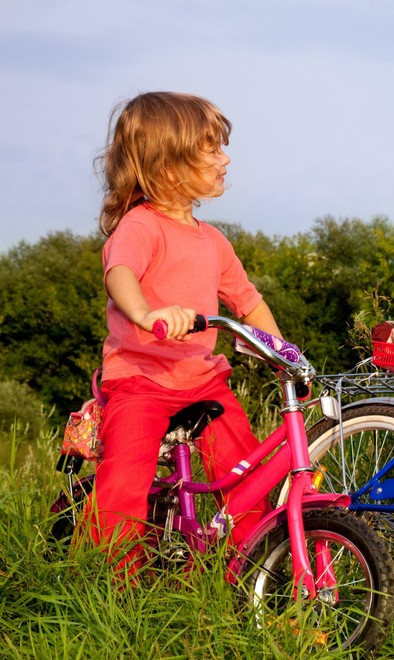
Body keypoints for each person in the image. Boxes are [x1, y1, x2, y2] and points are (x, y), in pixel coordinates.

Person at [84, 91, 279, 579]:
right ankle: (113, 584)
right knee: (124, 484)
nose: (225, 158)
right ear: (168, 168)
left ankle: (253, 574)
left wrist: (284, 355)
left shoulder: (213, 240)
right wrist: (147, 314)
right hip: (140, 380)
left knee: (245, 475)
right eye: (211, 149)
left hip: (203, 379)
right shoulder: (141, 226)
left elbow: (248, 301)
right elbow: (120, 274)